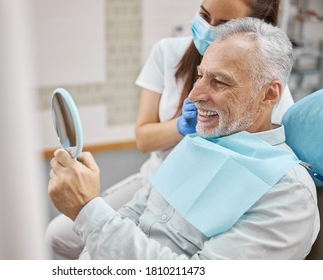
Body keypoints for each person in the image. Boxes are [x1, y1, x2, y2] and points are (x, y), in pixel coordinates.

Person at [48, 17, 319, 259]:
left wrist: (88, 210)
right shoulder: (198, 140)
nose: (193, 95)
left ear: (269, 95)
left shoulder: (288, 193)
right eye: (200, 76)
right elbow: (134, 212)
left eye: (219, 82)